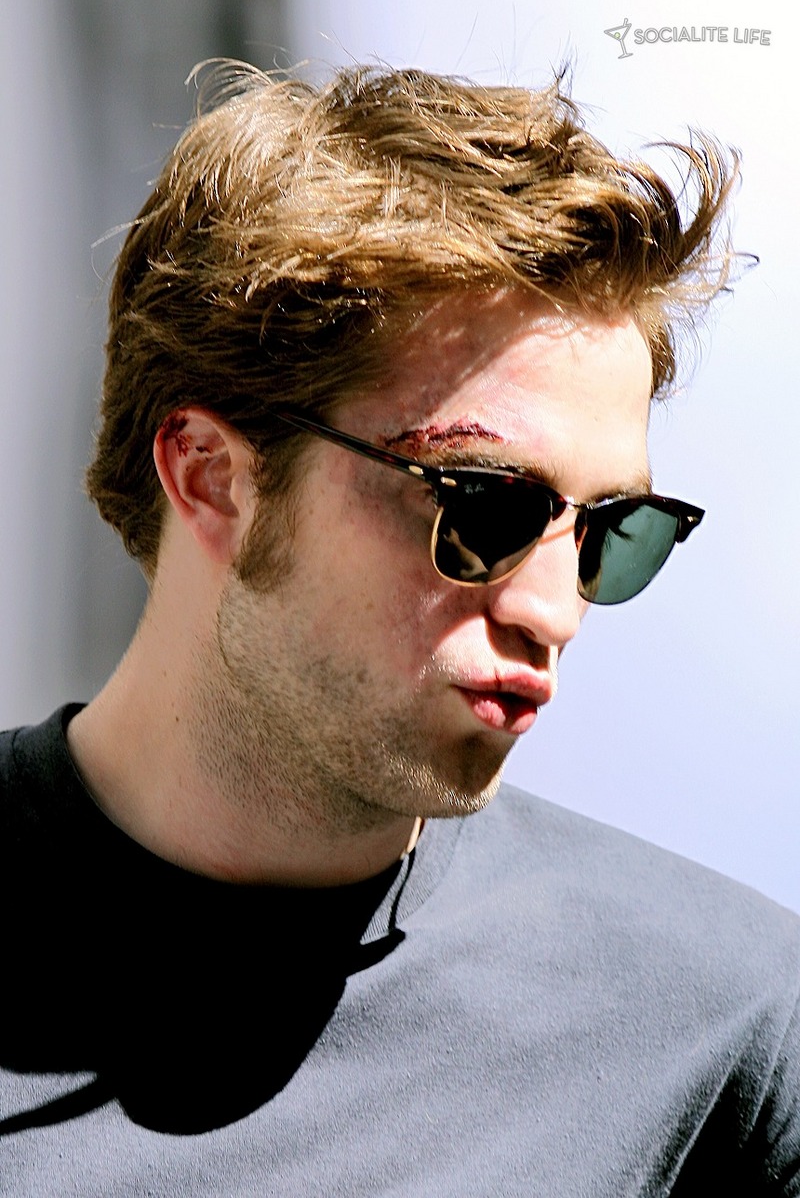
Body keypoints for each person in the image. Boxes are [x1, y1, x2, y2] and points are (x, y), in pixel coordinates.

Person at [2, 61, 798, 1195]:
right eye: (484, 506)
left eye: (611, 531)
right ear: (212, 476)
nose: (552, 610)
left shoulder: (727, 1029)